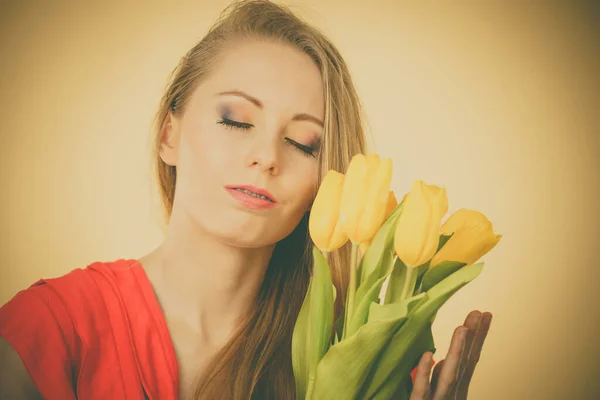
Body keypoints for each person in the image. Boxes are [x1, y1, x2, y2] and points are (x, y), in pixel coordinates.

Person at [0, 0, 493, 399]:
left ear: (327, 182)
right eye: (236, 119)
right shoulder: (51, 328)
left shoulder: (350, 359)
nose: (266, 157)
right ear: (169, 135)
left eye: (303, 143)